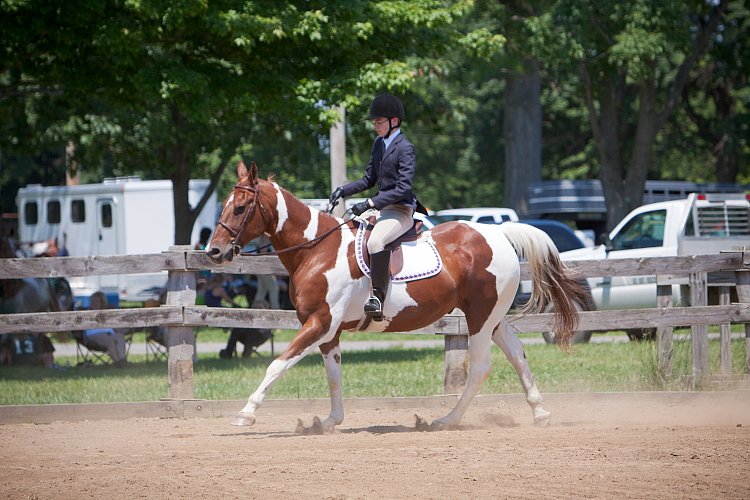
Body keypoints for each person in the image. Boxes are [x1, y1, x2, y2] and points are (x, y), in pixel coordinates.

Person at [328, 93, 420, 320]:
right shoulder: (380, 144)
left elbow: (403, 188)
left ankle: (377, 297)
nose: (375, 126)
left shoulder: (405, 148)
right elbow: (369, 179)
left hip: (401, 210)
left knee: (376, 241)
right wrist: (343, 190)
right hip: (382, 208)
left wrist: (369, 202)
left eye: (379, 121)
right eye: (374, 122)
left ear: (394, 121)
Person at [81, 291, 128, 367]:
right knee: (110, 340)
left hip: (110, 334)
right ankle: (118, 364)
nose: (94, 303)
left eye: (97, 301)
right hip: (93, 336)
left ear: (102, 303)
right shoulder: (86, 314)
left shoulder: (107, 313)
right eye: (92, 301)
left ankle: (122, 360)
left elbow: (115, 326)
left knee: (120, 336)